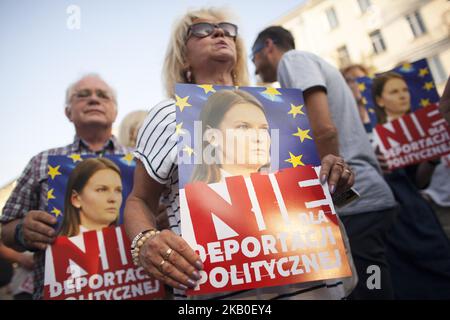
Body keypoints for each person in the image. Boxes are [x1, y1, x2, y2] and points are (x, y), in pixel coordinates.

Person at [124, 7, 355, 300]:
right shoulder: (166, 114)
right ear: (183, 57)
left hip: (316, 288)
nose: (219, 32)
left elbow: (319, 204)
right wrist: (145, 241)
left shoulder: (283, 107)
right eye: (202, 30)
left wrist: (336, 179)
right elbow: (139, 199)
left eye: (226, 28)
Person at [252, 26, 398, 299]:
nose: (253, 66)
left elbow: (325, 130)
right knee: (376, 281)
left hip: (355, 203)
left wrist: (323, 200)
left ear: (268, 46)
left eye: (253, 56)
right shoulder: (309, 63)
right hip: (367, 199)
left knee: (370, 288)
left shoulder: (292, 61)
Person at [0, 74, 130, 300]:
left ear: (115, 111)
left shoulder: (140, 163)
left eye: (102, 95)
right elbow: (5, 230)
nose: (93, 99)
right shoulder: (42, 162)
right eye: (82, 95)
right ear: (68, 112)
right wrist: (23, 231)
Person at [371, 72, 450, 299]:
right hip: (397, 236)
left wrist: (433, 156)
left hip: (424, 225)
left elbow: (417, 181)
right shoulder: (369, 137)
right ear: (378, 100)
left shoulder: (421, 126)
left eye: (404, 90)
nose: (403, 96)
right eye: (394, 91)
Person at [190, 89, 271, 183]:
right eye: (243, 127)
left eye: (263, 129)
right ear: (212, 137)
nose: (258, 138)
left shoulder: (280, 191)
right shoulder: (200, 195)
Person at [59, 158, 123, 237]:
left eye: (118, 190)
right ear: (76, 199)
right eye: (101, 190)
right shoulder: (57, 248)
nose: (113, 199)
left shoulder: (132, 243)